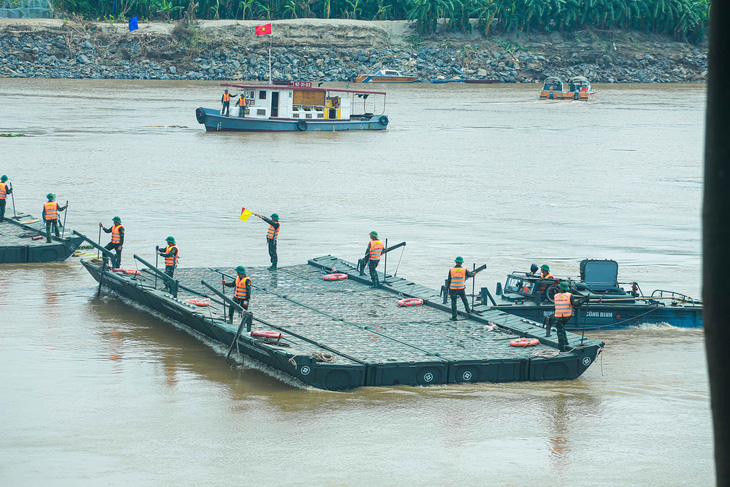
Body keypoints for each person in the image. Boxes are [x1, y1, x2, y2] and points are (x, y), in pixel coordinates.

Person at [553, 281, 586, 352]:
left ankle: (562, 348)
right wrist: (583, 300)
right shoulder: (570, 296)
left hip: (558, 316)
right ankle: (566, 342)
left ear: (560, 288)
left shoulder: (555, 296)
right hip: (567, 316)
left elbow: (560, 302)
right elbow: (575, 304)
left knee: (560, 331)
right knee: (562, 328)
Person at [447, 256, 475, 321]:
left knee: (453, 302)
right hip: (461, 287)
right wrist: (473, 273)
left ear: (455, 262)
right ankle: (468, 311)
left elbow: (449, 280)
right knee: (464, 299)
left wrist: (447, 289)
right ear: (461, 263)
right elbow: (470, 275)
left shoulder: (451, 269)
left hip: (452, 288)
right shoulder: (464, 269)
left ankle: (454, 317)